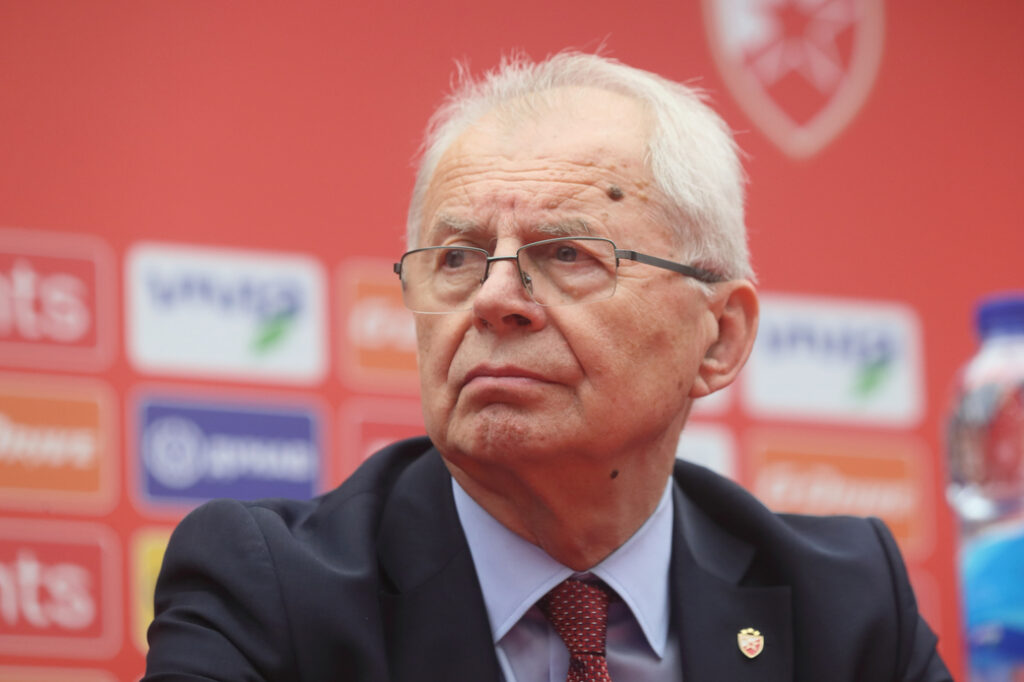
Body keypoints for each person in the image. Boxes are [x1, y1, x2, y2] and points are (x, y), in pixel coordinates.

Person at [144, 52, 952, 681]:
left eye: (567, 253)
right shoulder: (269, 590)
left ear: (719, 338)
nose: (496, 298)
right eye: (456, 257)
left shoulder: (842, 606)